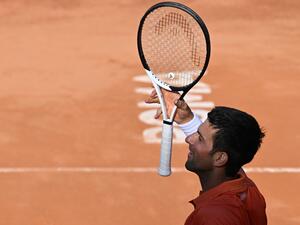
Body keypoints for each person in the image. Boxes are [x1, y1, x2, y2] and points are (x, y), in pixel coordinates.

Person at [145, 89, 267, 225]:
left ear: (220, 158)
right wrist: (187, 120)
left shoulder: (213, 217)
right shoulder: (245, 188)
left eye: (200, 138)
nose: (189, 139)